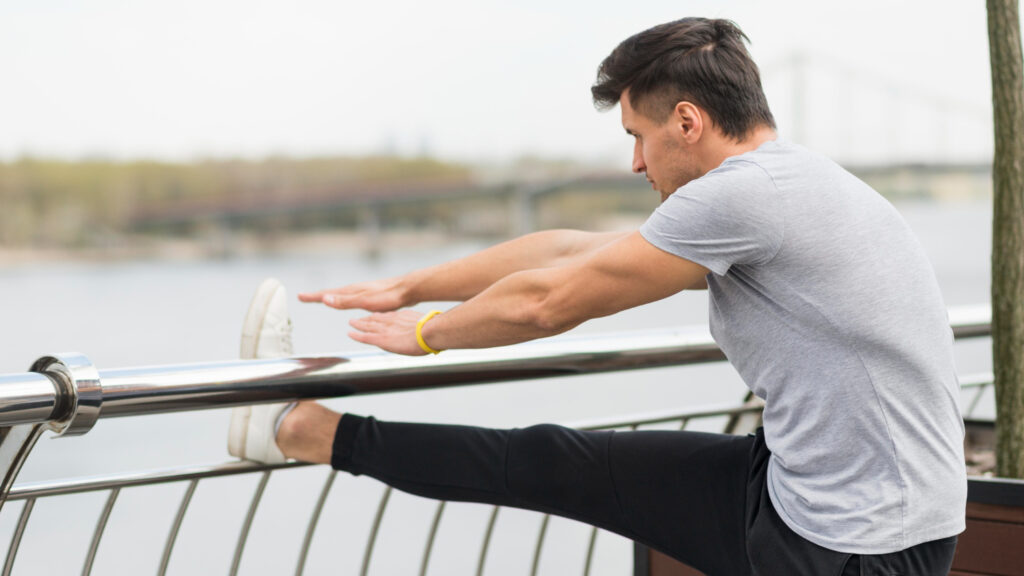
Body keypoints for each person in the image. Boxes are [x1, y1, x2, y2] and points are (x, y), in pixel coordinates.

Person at [226, 18, 965, 575]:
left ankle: (304, 431)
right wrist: (413, 285)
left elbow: (550, 300)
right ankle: (302, 432)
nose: (635, 160)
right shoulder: (785, 179)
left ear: (688, 121)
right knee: (556, 462)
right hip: (825, 493)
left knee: (546, 464)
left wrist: (427, 335)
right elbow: (572, 250)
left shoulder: (745, 198)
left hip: (856, 542)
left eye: (639, 134)